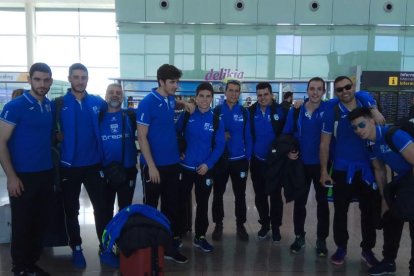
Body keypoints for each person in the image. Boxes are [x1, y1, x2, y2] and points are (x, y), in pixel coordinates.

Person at [52, 63, 116, 269]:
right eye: (76, 77)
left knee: (102, 208)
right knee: (72, 209)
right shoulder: (59, 104)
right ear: (70, 79)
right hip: (69, 167)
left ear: (87, 79)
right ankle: (76, 248)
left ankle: (105, 247)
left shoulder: (97, 102)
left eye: (84, 77)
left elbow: (114, 109)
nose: (80, 81)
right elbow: (48, 130)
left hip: (94, 165)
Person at [319, 76, 382, 267]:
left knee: (368, 211)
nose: (344, 91)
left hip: (367, 168)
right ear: (335, 92)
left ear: (353, 86)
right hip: (341, 168)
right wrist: (324, 171)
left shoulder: (365, 101)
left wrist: (374, 109)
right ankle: (341, 247)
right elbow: (325, 143)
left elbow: (380, 121)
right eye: (339, 89)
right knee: (340, 210)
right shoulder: (332, 110)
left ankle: (367, 250)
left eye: (347, 87)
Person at [0, 63, 54, 276]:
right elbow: (1, 142)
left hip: (45, 173)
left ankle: (31, 263)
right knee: (23, 223)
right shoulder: (15, 106)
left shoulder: (48, 105)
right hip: (22, 175)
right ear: (30, 80)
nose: (42, 84)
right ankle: (19, 267)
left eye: (46, 80)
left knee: (39, 222)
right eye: (38, 79)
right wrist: (11, 176)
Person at [348, 107, 414, 276]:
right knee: (391, 218)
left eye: (361, 125)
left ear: (372, 121)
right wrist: (385, 199)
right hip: (402, 181)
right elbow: (379, 170)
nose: (358, 130)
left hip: (410, 179)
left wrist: (408, 194)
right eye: (354, 127)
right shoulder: (369, 144)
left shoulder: (394, 135)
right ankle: (388, 261)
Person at [136, 64, 192, 264]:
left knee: (172, 207)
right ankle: (150, 248)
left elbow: (173, 104)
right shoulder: (147, 103)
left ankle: (168, 246)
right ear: (161, 82)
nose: (176, 85)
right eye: (172, 82)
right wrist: (151, 166)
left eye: (177, 82)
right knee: (151, 208)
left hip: (173, 164)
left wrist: (184, 103)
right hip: (154, 167)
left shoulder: (169, 99)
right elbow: (142, 137)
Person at [281, 77, 331, 256]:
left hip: (322, 165)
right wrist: (289, 151)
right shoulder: (296, 111)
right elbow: (286, 134)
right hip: (300, 165)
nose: (315, 92)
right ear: (307, 90)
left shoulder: (329, 109)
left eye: (319, 89)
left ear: (324, 92)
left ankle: (321, 240)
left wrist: (372, 107)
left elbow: (357, 96)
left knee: (322, 203)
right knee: (299, 203)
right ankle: (299, 236)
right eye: (312, 89)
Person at [176, 82, 225, 253]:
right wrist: (179, 151)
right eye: (201, 96)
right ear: (196, 98)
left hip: (204, 169)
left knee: (202, 204)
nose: (204, 100)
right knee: (181, 202)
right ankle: (177, 234)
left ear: (212, 99)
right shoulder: (187, 115)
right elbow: (176, 134)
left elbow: (220, 146)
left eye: (208, 96)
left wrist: (208, 164)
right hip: (185, 168)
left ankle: (200, 236)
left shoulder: (217, 120)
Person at [211, 79, 253, 241]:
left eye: (237, 91)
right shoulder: (216, 111)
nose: (234, 94)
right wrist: (221, 136)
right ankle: (218, 224)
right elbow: (211, 135)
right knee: (218, 194)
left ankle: (240, 224)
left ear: (239, 93)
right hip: (220, 160)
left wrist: (247, 157)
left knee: (240, 195)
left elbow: (248, 136)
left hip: (239, 161)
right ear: (225, 92)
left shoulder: (244, 112)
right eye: (231, 90)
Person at [248, 82, 286, 242]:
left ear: (271, 95)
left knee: (276, 196)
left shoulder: (281, 111)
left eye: (265, 94)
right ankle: (265, 225)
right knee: (260, 196)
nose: (262, 98)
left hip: (275, 163)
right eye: (260, 95)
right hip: (257, 161)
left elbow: (288, 134)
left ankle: (276, 227)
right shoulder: (250, 112)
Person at [99, 83, 138, 215]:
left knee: (126, 210)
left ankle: (123, 235)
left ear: (122, 98)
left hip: (128, 171)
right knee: (105, 210)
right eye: (111, 92)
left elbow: (153, 114)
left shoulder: (131, 116)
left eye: (118, 93)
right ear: (105, 96)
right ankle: (107, 235)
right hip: (105, 172)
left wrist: (181, 104)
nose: (115, 95)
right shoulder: (98, 117)